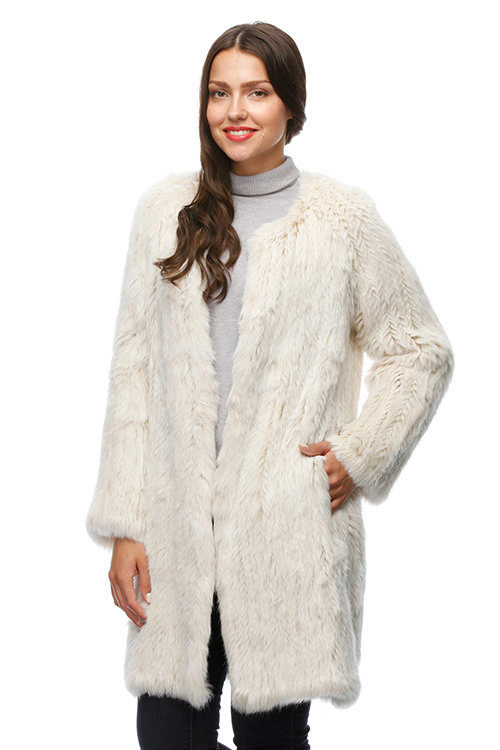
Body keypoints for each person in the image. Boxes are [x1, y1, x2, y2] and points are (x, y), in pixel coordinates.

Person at [86, 21, 454, 750]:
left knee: (271, 740)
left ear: (291, 103)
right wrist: (126, 523)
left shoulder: (340, 219)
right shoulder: (166, 212)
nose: (235, 111)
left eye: (257, 92)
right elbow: (134, 373)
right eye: (218, 92)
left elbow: (420, 349)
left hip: (286, 530)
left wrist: (359, 453)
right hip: (177, 530)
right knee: (167, 733)